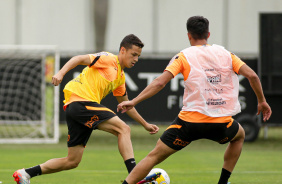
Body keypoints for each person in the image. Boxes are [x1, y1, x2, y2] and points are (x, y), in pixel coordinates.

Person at [118, 16, 272, 184]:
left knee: (154, 156)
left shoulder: (184, 56)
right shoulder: (226, 54)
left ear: (189, 35)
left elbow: (160, 82)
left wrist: (134, 101)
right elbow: (253, 76)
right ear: (208, 34)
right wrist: (262, 101)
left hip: (189, 124)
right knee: (239, 136)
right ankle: (223, 182)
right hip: (220, 123)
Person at [13, 34, 159, 184]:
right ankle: (134, 176)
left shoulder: (120, 77)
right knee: (124, 129)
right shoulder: (108, 58)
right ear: (122, 50)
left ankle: (25, 174)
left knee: (72, 161)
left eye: (138, 56)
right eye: (133, 54)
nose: (136, 59)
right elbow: (79, 59)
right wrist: (61, 73)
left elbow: (127, 105)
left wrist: (145, 124)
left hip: (77, 109)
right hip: (80, 102)